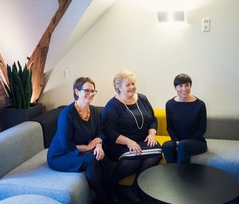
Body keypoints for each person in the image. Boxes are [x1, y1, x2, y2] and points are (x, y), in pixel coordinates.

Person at [102, 69, 162, 203]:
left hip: (142, 140)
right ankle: (110, 188)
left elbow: (153, 119)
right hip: (119, 143)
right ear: (118, 87)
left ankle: (134, 188)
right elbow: (108, 132)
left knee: (156, 152)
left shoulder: (143, 98)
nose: (131, 87)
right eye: (127, 85)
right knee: (135, 157)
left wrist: (152, 134)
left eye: (133, 83)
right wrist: (128, 142)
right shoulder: (112, 105)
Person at [47, 77, 108, 204]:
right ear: (77, 91)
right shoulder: (67, 113)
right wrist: (89, 147)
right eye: (87, 91)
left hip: (78, 149)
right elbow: (66, 145)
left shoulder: (94, 111)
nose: (90, 94)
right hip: (60, 155)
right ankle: (102, 197)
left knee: (101, 155)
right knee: (92, 158)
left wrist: (98, 146)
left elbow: (99, 133)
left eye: (93, 91)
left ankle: (109, 191)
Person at [162, 73, 207, 164]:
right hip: (178, 141)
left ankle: (182, 176)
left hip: (197, 142)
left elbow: (201, 129)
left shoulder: (200, 105)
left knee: (183, 145)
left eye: (187, 85)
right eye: (180, 86)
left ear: (191, 86)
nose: (184, 89)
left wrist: (183, 142)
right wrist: (177, 141)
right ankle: (172, 173)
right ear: (175, 88)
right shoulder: (170, 104)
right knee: (166, 146)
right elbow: (170, 127)